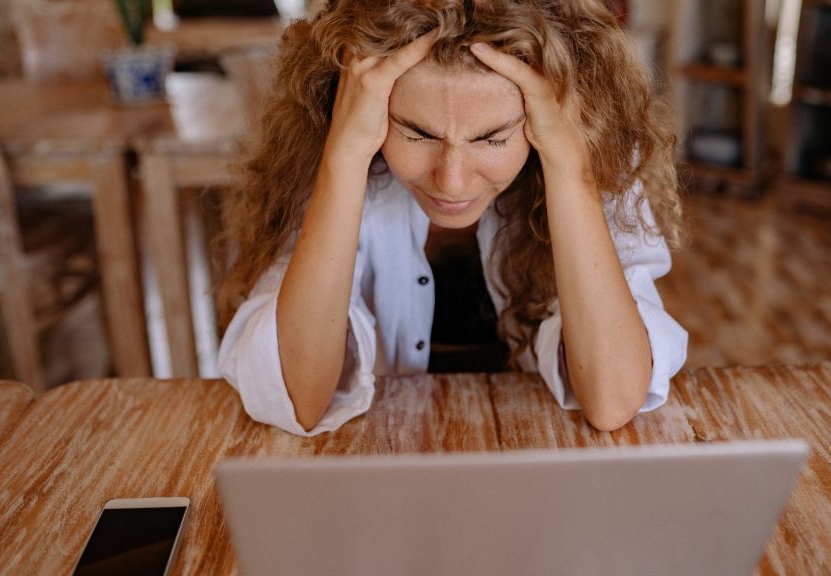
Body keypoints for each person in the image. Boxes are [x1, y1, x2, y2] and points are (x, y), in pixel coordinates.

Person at [217, 0, 688, 436]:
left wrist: (568, 166)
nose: (452, 182)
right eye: (418, 134)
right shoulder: (328, 152)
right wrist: (343, 156)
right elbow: (298, 399)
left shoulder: (597, 156)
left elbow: (613, 401)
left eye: (492, 138)